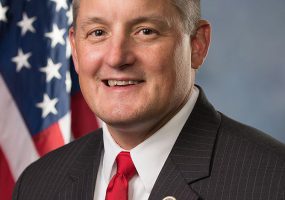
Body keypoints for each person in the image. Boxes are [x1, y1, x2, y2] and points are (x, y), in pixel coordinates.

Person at [13, 0, 285, 199]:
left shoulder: (272, 181)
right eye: (98, 32)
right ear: (74, 48)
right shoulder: (37, 184)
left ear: (197, 45)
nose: (117, 57)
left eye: (145, 31)